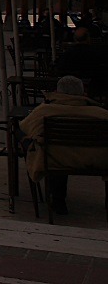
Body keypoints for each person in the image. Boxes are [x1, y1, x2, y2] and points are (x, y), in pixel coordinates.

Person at [19, 75, 108, 216]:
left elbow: (24, 127)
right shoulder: (102, 114)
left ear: (57, 92)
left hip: (56, 160)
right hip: (98, 160)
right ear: (83, 92)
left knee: (52, 150)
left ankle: (58, 202)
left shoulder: (44, 111)